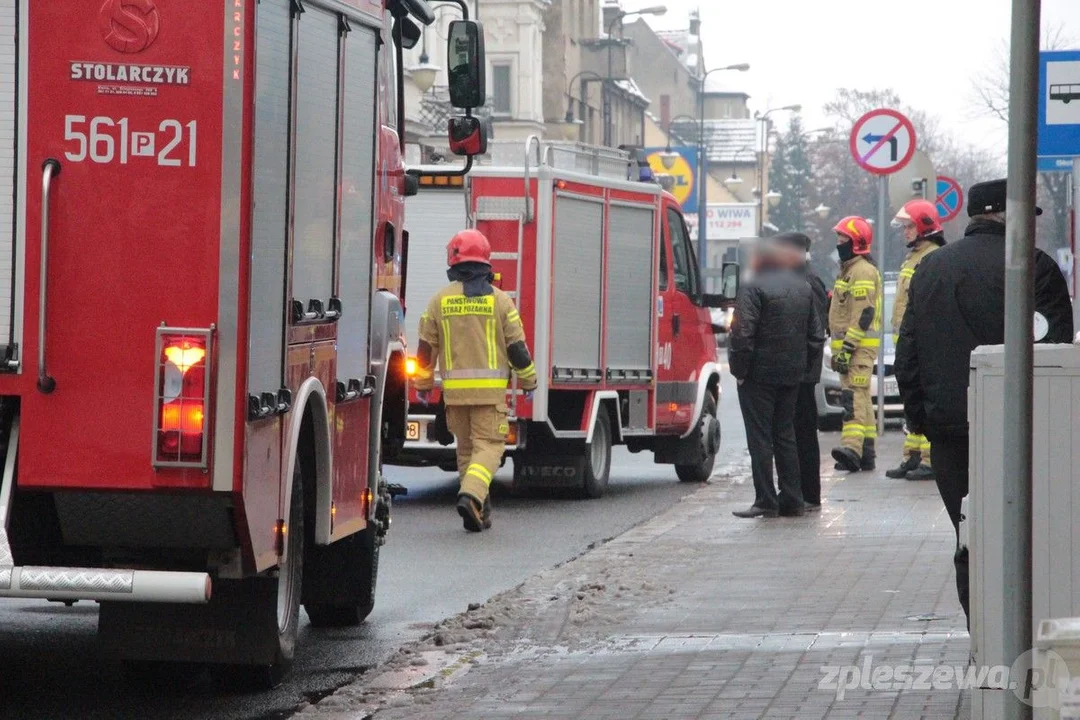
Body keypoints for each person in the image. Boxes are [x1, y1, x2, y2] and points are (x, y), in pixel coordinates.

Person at [894, 178, 1073, 620]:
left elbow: (907, 356)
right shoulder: (1037, 268)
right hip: (1023, 430)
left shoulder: (930, 269)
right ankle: (1022, 639)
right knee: (1028, 534)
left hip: (951, 433)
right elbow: (1055, 351)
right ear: (1009, 216)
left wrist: (923, 420)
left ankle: (983, 640)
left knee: (969, 534)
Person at [413, 229, 539, 532]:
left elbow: (425, 350)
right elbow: (517, 350)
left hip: (455, 399)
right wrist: (530, 382)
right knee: (489, 450)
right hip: (489, 398)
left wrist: (423, 386)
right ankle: (470, 496)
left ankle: (479, 512)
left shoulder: (438, 301)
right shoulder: (500, 302)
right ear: (485, 261)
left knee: (467, 452)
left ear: (454, 263)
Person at [729, 237, 825, 519]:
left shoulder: (753, 287)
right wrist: (802, 367)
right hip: (791, 376)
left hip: (758, 376)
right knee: (785, 436)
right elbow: (816, 335)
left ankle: (766, 499)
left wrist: (740, 371)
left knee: (760, 438)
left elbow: (742, 334)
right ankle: (794, 499)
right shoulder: (803, 287)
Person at [885, 200, 946, 482]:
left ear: (924, 226)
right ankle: (912, 455)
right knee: (911, 399)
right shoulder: (913, 257)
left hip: (921, 342)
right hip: (907, 342)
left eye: (909, 226)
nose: (905, 232)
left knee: (923, 398)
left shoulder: (932, 257)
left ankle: (930, 459)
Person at [775, 232, 829, 511]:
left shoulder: (809, 281)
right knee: (795, 432)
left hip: (803, 374)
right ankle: (800, 491)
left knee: (803, 434)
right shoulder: (798, 278)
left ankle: (809, 494)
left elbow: (815, 330)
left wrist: (804, 367)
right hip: (797, 370)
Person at [828, 217, 883, 473]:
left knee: (854, 397)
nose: (839, 245)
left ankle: (852, 448)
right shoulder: (850, 270)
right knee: (861, 397)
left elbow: (863, 315)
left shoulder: (860, 271)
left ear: (856, 243)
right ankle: (867, 453)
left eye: (842, 240)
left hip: (857, 348)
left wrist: (848, 348)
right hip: (852, 347)